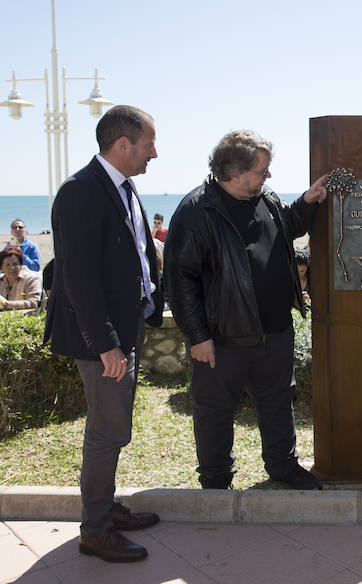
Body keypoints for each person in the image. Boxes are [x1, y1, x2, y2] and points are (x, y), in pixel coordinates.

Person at [165, 130, 327, 491]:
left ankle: (283, 466)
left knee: (277, 401)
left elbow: (288, 227)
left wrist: (307, 201)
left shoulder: (266, 198)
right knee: (214, 410)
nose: (268, 176)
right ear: (235, 174)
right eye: (261, 170)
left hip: (275, 330)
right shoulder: (196, 212)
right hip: (221, 338)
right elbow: (178, 281)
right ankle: (216, 479)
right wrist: (197, 336)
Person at [43, 105, 163, 563]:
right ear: (123, 144)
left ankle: (105, 508)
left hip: (123, 330)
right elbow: (79, 279)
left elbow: (133, 255)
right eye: (150, 144)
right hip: (101, 341)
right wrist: (107, 343)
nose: (155, 153)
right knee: (106, 429)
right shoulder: (80, 192)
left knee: (113, 427)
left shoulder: (124, 188)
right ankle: (95, 530)